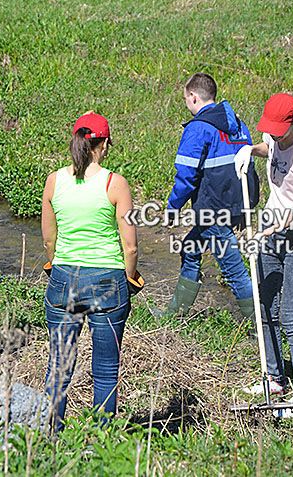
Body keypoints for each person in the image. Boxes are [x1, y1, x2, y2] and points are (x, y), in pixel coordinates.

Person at [41, 112, 139, 431]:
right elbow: (130, 245)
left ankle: (50, 435)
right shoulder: (115, 183)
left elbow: (48, 237)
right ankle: (101, 437)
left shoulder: (55, 180)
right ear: (105, 143)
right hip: (108, 280)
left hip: (64, 277)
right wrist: (131, 275)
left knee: (59, 366)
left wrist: (54, 262)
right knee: (106, 368)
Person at [234, 93, 293, 417]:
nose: (274, 134)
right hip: (270, 231)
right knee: (264, 307)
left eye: (279, 128)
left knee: (290, 317)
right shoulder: (274, 137)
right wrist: (249, 151)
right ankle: (275, 379)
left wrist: (267, 232)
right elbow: (268, 148)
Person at [156, 73, 259, 321]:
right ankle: (175, 314)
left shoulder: (198, 128)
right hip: (237, 205)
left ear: (193, 96)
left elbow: (186, 176)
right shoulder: (238, 124)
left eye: (185, 98)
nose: (185, 102)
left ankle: (259, 326)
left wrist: (173, 208)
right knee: (191, 248)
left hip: (213, 208)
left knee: (233, 269)